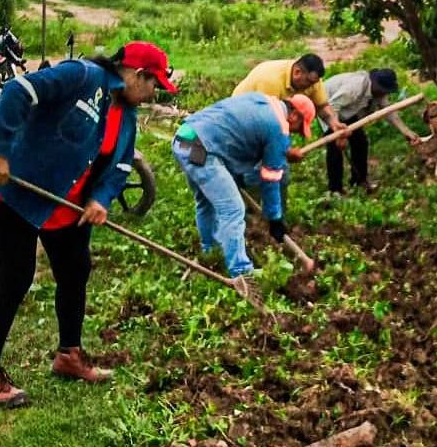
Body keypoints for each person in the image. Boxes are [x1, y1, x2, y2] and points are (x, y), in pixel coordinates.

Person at [0, 41, 177, 407]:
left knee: (75, 271)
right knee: (16, 277)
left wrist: (101, 198)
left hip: (64, 207)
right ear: (138, 74)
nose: (153, 95)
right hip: (12, 192)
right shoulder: (82, 76)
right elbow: (17, 90)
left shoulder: (128, 119)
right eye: (153, 86)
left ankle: (69, 355)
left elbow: (120, 166)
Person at [172, 92, 315, 280]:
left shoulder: (264, 101)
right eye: (297, 128)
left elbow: (240, 131)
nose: (294, 133)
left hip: (185, 137)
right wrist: (275, 219)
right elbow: (271, 178)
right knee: (233, 209)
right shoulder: (278, 127)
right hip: (202, 148)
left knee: (206, 202)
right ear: (294, 115)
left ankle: (210, 252)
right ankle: (241, 272)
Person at [323, 68, 419, 194]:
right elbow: (332, 106)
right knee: (335, 149)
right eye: (383, 90)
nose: (384, 94)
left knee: (360, 142)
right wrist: (338, 134)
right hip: (328, 109)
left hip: (347, 111)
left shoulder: (378, 93)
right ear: (375, 83)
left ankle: (359, 181)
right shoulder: (355, 87)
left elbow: (388, 111)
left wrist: (406, 131)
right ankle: (335, 190)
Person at [233, 53, 346, 136]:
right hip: (240, 116)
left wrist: (334, 124)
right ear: (297, 72)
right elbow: (268, 123)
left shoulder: (313, 81)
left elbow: (322, 107)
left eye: (314, 83)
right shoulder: (270, 81)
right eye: (309, 82)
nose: (312, 86)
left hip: (266, 117)